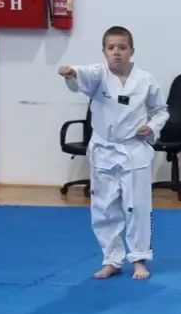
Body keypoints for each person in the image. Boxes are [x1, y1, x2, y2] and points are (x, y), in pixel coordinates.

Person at [58, 26, 168, 280]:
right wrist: (71, 73)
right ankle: (112, 259)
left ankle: (139, 260)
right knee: (104, 208)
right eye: (111, 48)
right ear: (104, 51)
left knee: (137, 207)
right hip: (104, 151)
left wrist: (151, 127)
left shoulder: (146, 80)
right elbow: (82, 76)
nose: (116, 52)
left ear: (131, 50)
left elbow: (161, 110)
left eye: (122, 47)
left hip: (134, 149)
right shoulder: (98, 75)